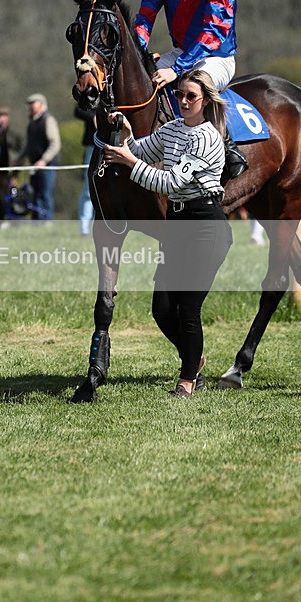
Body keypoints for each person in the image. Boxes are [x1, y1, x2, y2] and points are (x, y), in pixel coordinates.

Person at [103, 69, 233, 398]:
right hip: (176, 224)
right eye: (179, 95)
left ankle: (186, 382)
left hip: (205, 225)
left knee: (188, 308)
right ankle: (194, 359)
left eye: (191, 96)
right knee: (161, 309)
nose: (184, 101)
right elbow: (141, 152)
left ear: (206, 100)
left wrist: (129, 162)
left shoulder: (207, 138)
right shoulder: (172, 129)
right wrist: (128, 136)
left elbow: (171, 183)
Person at [134, 0, 248, 179]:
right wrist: (138, 49)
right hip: (182, 52)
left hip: (216, 57)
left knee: (194, 83)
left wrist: (176, 69)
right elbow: (146, 16)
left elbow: (214, 31)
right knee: (139, 77)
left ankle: (228, 147)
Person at [15, 94, 61, 221]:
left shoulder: (48, 120)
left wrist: (44, 160)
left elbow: (55, 144)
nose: (30, 107)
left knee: (44, 194)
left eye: (32, 103)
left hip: (47, 165)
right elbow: (29, 145)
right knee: (34, 195)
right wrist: (18, 158)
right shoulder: (32, 122)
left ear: (41, 104)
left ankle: (46, 222)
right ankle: (37, 223)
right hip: (35, 164)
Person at [75, 104, 96, 236]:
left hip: (113, 145)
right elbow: (78, 109)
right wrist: (93, 116)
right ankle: (84, 228)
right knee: (88, 190)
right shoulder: (91, 94)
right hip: (91, 146)